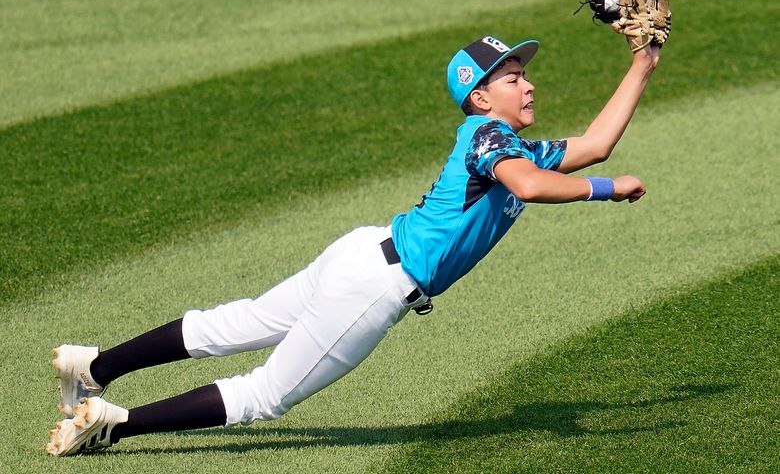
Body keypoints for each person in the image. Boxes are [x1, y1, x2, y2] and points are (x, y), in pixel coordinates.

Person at [46, 35, 658, 456]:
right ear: (480, 96)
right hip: (376, 284)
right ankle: (114, 425)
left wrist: (643, 64)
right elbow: (531, 184)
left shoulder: (514, 144)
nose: (528, 85)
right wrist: (604, 190)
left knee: (235, 323)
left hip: (363, 251)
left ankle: (93, 367)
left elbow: (595, 143)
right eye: (514, 77)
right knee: (266, 395)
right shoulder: (486, 134)